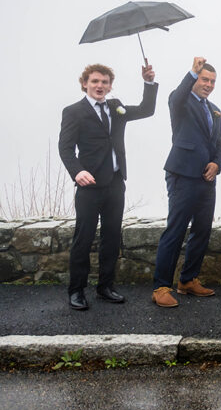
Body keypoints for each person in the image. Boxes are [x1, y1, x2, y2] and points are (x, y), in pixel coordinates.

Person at [58, 62, 157, 310]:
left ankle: (105, 287)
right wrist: (77, 171)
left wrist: (148, 82)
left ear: (110, 86)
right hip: (89, 185)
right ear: (85, 84)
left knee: (112, 238)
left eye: (104, 82)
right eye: (94, 81)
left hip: (115, 182)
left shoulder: (115, 107)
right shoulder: (73, 111)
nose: (99, 86)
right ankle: (77, 290)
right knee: (84, 238)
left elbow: (146, 110)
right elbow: (65, 148)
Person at [151, 57, 221, 308]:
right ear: (196, 80)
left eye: (212, 81)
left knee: (202, 230)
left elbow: (220, 145)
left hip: (207, 179)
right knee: (175, 230)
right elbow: (176, 96)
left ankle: (187, 280)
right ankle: (161, 287)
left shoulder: (215, 109)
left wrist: (217, 164)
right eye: (204, 79)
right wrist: (192, 72)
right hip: (182, 174)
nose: (208, 84)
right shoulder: (181, 101)